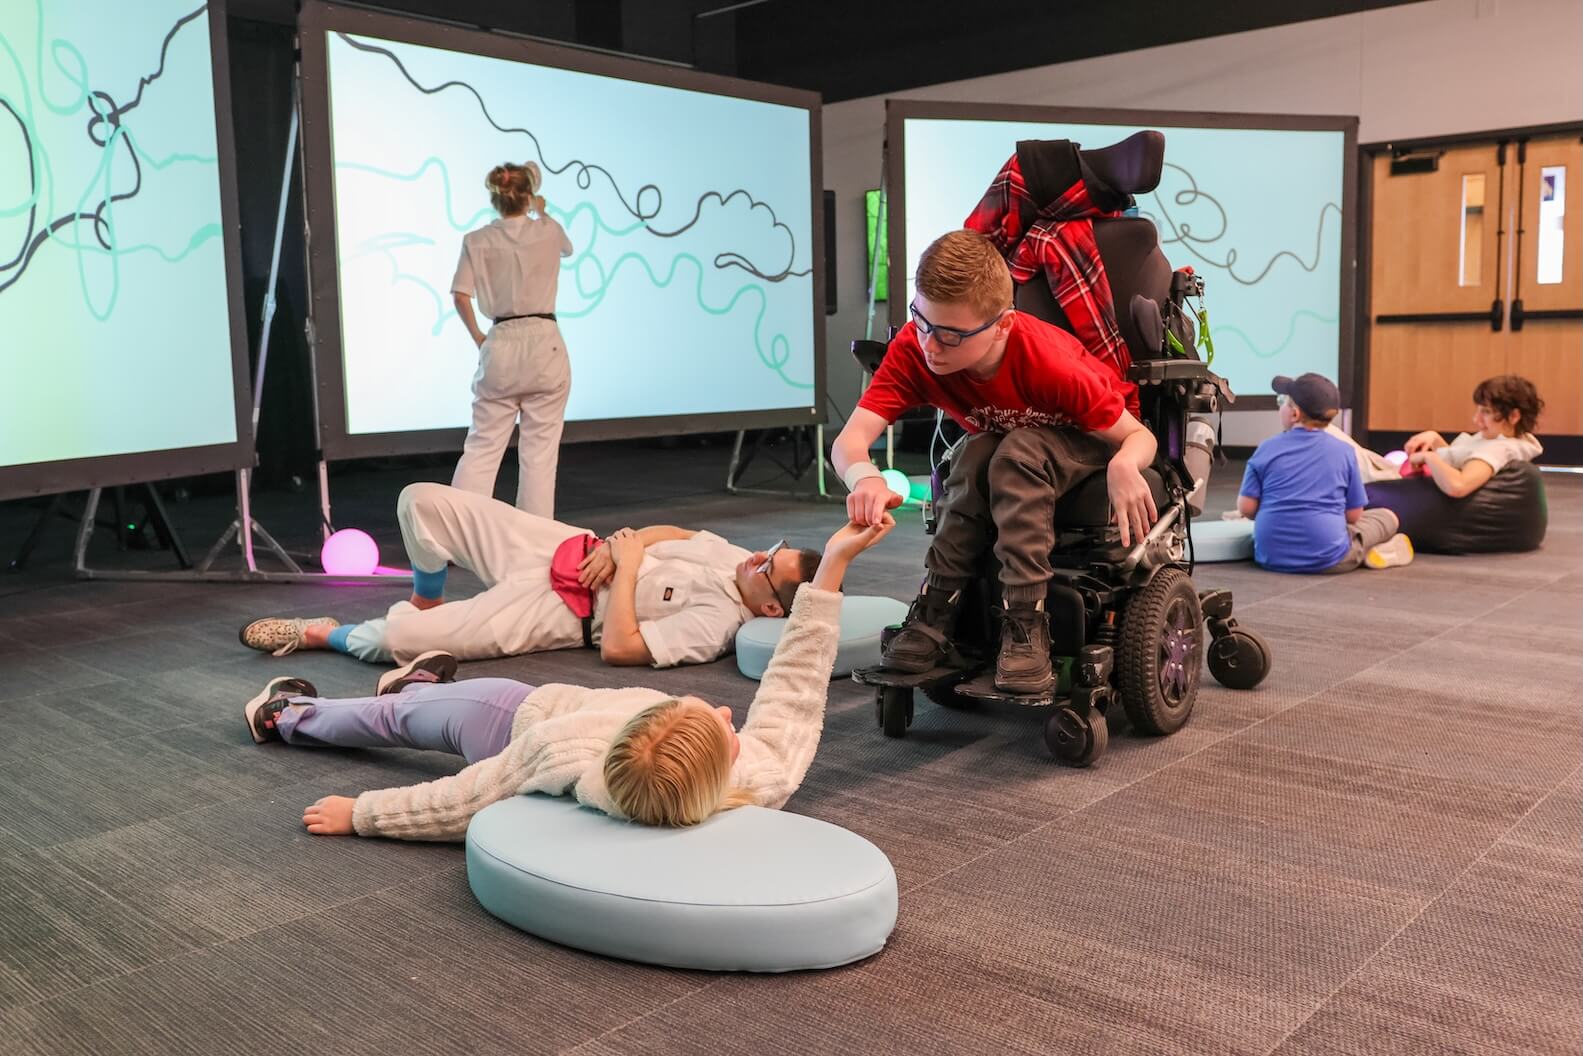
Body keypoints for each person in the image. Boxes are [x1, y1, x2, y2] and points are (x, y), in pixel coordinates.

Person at [241, 515, 895, 838]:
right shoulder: (761, 775)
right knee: (421, 705)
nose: (731, 714)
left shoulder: (566, 748)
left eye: (717, 723)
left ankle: (288, 717)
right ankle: (419, 689)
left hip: (507, 719)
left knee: (396, 723)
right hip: (548, 640)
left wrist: (362, 814)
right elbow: (795, 686)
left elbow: (462, 800)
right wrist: (831, 567)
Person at [832, 229, 1159, 695]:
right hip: (1007, 442)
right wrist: (864, 477)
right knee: (975, 453)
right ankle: (936, 610)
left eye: (950, 334)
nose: (930, 345)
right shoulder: (917, 346)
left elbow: (1136, 435)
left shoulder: (1050, 363)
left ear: (1003, 325)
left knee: (1015, 451)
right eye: (921, 321)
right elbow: (847, 443)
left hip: (1090, 442)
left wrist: (1125, 465)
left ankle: (1027, 621)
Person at [239, 483, 820, 673]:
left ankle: (321, 634)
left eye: (768, 568)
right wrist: (624, 547)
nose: (757, 559)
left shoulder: (717, 625)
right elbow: (667, 530)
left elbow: (620, 649)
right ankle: (424, 597)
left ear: (771, 609)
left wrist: (629, 564)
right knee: (420, 502)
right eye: (772, 550)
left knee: (396, 643)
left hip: (567, 614)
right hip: (563, 547)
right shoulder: (736, 557)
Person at [450, 161, 575, 517]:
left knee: (483, 447)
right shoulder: (548, 231)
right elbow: (568, 248)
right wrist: (542, 211)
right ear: (528, 196)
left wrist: (478, 337)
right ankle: (533, 539)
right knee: (539, 454)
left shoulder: (476, 240)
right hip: (543, 341)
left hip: (501, 339)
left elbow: (460, 295)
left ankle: (457, 533)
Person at [1237, 373, 1414, 574]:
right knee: (1387, 516)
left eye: (1283, 402)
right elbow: (1354, 516)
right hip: (1329, 560)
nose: (1281, 407)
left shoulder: (1265, 448)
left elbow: (1247, 508)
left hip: (1270, 556)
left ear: (1294, 414)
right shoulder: (1344, 452)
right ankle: (1375, 549)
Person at [1402, 375, 1545, 498]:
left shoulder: (1498, 449)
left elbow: (1458, 486)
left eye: (1486, 412)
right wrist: (1435, 439)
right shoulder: (1499, 437)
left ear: (1514, 416)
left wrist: (1429, 457)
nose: (1476, 419)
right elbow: (1461, 462)